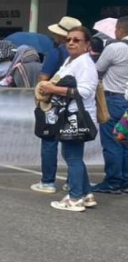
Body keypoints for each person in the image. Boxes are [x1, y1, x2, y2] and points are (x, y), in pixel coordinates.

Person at [37, 26, 98, 211]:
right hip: (69, 114)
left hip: (77, 116)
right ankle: (86, 194)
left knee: (72, 156)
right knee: (72, 155)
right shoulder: (71, 61)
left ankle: (75, 198)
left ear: (87, 44)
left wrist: (53, 89)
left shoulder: (85, 64)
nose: (71, 42)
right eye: (69, 39)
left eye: (76, 40)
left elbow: (86, 92)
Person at [31, 16, 82, 194]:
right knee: (72, 146)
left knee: (49, 141)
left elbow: (43, 78)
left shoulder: (57, 52)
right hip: (74, 104)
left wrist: (40, 95)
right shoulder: (82, 56)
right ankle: (72, 182)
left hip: (53, 103)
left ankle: (48, 181)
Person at [92, 16, 128, 194]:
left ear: (120, 31)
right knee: (125, 142)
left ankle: (113, 180)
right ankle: (125, 180)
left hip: (114, 99)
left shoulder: (115, 48)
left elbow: (97, 69)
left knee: (112, 142)